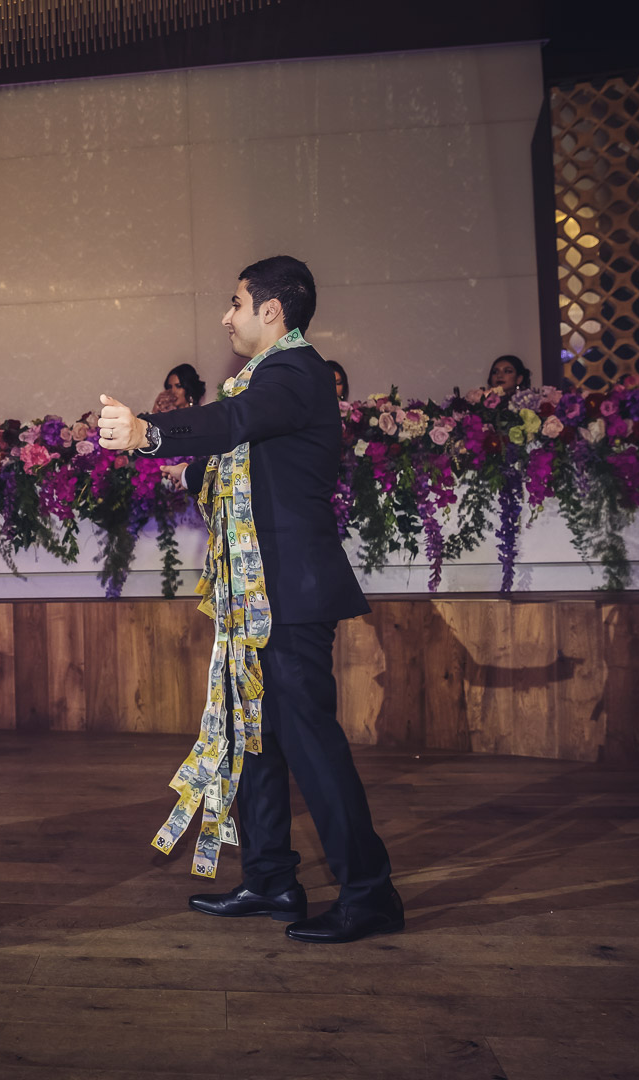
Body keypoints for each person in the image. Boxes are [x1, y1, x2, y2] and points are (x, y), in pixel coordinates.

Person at [96, 255, 402, 945]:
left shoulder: (294, 372)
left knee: (311, 744)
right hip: (254, 594)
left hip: (289, 593)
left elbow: (234, 421)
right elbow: (234, 456)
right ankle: (270, 879)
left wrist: (149, 432)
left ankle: (370, 893)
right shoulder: (268, 380)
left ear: (271, 310)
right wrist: (170, 465)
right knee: (253, 738)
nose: (226, 317)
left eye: (235, 303)